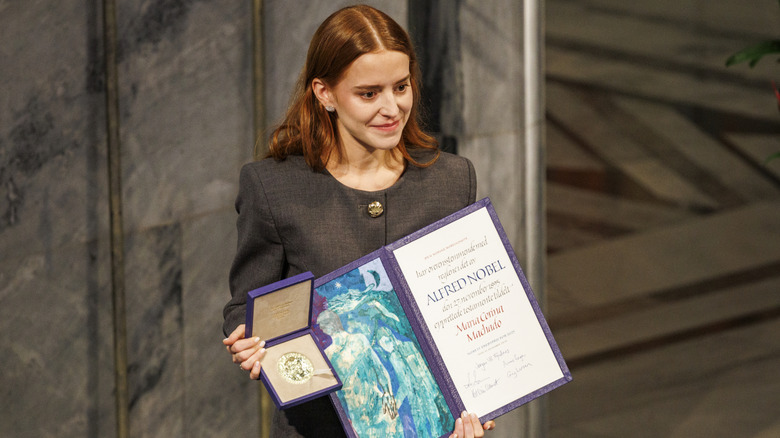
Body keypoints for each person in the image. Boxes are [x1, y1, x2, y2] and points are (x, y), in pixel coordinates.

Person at [222, 5, 495, 437]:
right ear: (325, 93)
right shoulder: (274, 188)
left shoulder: (451, 180)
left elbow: (467, 312)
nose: (392, 108)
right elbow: (247, 306)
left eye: (401, 87)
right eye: (369, 94)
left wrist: (482, 394)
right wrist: (248, 337)